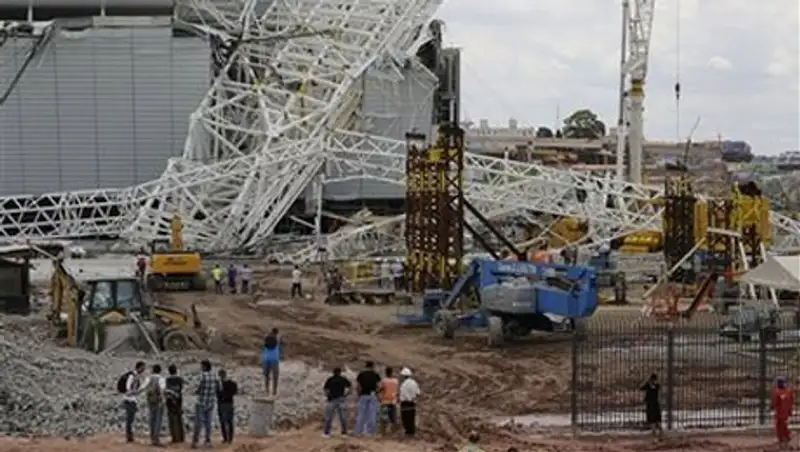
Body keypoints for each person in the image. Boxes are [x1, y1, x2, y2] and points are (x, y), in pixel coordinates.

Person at [191, 359, 219, 448]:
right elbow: (219, 388)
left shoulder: (202, 376)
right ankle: (208, 441)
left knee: (198, 423)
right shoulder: (215, 376)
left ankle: (195, 442)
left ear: (204, 367)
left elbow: (198, 388)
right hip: (211, 402)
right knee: (208, 423)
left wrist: (197, 391)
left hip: (201, 402)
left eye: (201, 366)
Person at [141, 364, 167, 446]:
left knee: (151, 418)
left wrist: (134, 392)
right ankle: (156, 438)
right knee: (158, 419)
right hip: (158, 401)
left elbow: (143, 387)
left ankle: (152, 437)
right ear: (160, 370)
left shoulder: (149, 378)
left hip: (150, 400)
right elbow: (162, 389)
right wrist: (163, 399)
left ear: (153, 370)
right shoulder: (161, 378)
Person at [122, 361, 147, 443]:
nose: (144, 370)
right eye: (143, 368)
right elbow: (128, 388)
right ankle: (129, 436)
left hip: (132, 399)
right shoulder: (132, 376)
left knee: (131, 418)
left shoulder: (136, 376)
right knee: (130, 418)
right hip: (129, 399)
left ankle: (130, 436)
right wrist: (136, 391)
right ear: (139, 367)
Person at [322, 367, 351, 438]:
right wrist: (346, 394)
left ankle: (326, 433)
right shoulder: (343, 379)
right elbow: (350, 387)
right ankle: (344, 433)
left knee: (329, 417)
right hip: (341, 399)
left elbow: (325, 389)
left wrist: (327, 395)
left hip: (332, 399)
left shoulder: (330, 379)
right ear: (340, 372)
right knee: (343, 417)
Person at [354, 361, 381, 436]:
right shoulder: (376, 375)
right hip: (372, 395)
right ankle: (371, 432)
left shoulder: (361, 374)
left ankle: (358, 431)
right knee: (372, 414)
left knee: (361, 414)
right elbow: (378, 386)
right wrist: (377, 393)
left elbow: (358, 386)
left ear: (366, 366)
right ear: (373, 366)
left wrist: (358, 394)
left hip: (363, 395)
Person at [164, 364, 185, 444]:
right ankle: (181, 437)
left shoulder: (168, 380)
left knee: (172, 420)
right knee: (179, 419)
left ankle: (175, 437)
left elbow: (166, 390)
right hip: (179, 400)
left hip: (170, 401)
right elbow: (181, 389)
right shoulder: (180, 379)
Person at [217, 369, 238, 444]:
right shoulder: (231, 383)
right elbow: (235, 391)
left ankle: (226, 438)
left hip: (223, 404)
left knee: (224, 421)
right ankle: (229, 438)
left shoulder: (220, 384)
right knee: (229, 421)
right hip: (228, 403)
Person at [772, 376, 795, 447]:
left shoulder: (788, 392)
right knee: (779, 426)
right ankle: (782, 438)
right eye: (784, 383)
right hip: (779, 412)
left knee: (783, 426)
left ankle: (785, 438)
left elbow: (791, 402)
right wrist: (773, 410)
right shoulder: (777, 392)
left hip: (784, 412)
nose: (785, 384)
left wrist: (790, 411)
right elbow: (775, 402)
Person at [640, 373, 663, 440]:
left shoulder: (648, 385)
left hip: (650, 405)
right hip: (656, 404)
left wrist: (647, 381)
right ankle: (660, 434)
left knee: (652, 421)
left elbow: (641, 387)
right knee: (658, 420)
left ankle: (655, 436)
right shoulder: (657, 385)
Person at [398, 367, 420, 437]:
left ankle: (408, 433)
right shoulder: (414, 383)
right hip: (412, 403)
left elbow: (403, 394)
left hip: (405, 403)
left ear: (403, 376)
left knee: (405, 418)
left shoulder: (403, 385)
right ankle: (412, 432)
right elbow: (418, 393)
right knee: (411, 418)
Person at [378, 367, 399, 436]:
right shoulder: (396, 381)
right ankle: (393, 433)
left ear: (385, 372)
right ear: (392, 372)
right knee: (393, 419)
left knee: (384, 418)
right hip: (393, 402)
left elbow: (380, 389)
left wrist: (378, 394)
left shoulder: (384, 381)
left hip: (385, 402)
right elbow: (397, 391)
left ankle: (383, 434)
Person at [262, 329, 281, 397]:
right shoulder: (277, 338)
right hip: (274, 359)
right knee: (275, 376)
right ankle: (274, 391)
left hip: (266, 358)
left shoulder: (266, 337)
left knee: (266, 376)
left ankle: (267, 390)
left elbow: (264, 345)